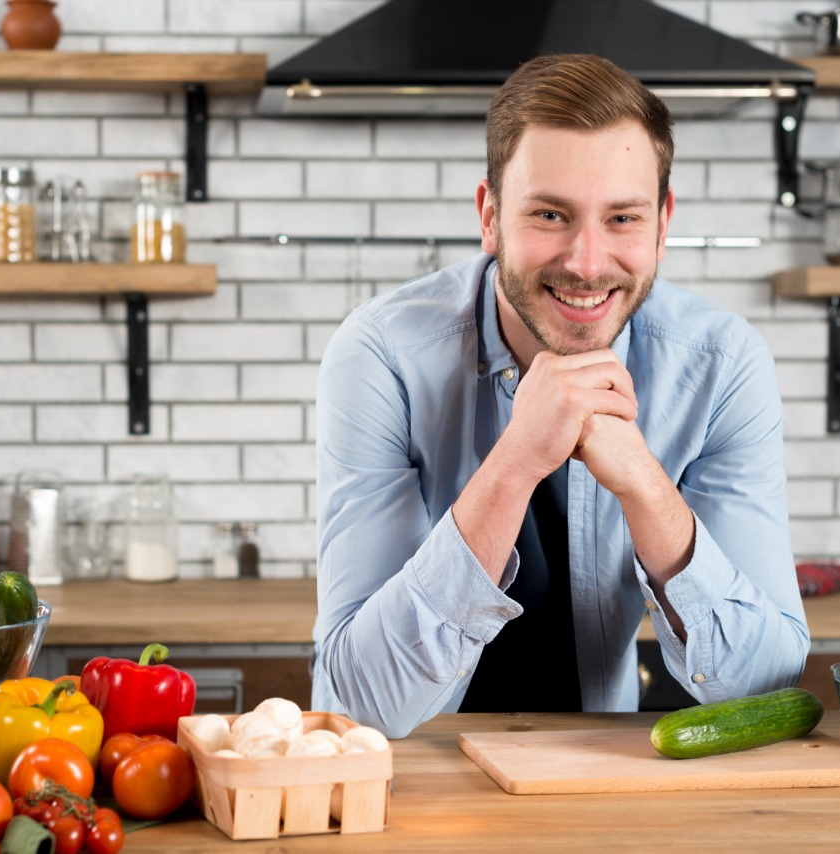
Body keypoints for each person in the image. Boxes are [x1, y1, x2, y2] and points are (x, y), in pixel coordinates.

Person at [312, 53, 809, 738]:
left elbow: (768, 688)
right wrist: (517, 460)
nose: (587, 262)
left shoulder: (721, 365)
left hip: (593, 780)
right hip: (408, 777)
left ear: (663, 224)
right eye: (550, 214)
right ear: (491, 216)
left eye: (623, 218)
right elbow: (360, 705)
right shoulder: (381, 356)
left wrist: (644, 485)